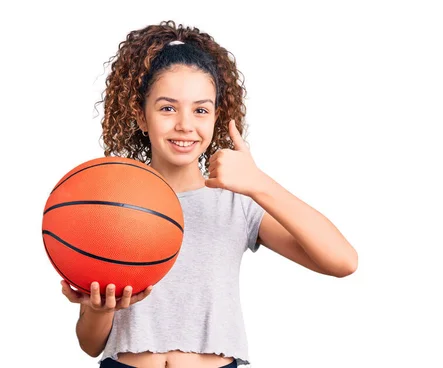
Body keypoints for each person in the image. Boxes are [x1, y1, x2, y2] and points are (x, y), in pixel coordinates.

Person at [60, 20, 358, 368]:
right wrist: (99, 310)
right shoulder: (110, 200)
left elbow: (343, 262)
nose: (185, 124)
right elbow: (90, 344)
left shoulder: (237, 201)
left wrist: (260, 183)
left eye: (200, 109)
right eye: (167, 108)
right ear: (142, 116)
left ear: (217, 117)